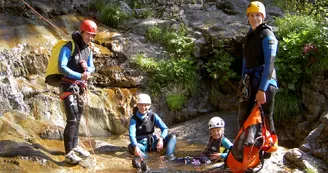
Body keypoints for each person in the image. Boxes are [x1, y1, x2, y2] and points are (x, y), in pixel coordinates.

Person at [237, 1, 278, 158]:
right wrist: (243, 83)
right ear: (247, 17)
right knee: (244, 116)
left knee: (265, 116)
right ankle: (247, 151)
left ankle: (267, 152)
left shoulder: (267, 35)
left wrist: (262, 89)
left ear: (263, 17)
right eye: (252, 15)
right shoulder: (249, 35)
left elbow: (270, 63)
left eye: (258, 15)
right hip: (250, 81)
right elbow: (246, 62)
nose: (255, 18)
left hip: (266, 83)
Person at [59, 19, 97, 164]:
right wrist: (79, 75)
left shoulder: (88, 49)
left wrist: (88, 69)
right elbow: (62, 66)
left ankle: (74, 148)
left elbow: (92, 66)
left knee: (78, 119)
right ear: (82, 32)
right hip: (68, 86)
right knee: (72, 119)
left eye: (93, 35)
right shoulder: (69, 46)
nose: (90, 38)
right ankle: (69, 153)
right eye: (88, 34)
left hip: (80, 88)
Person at [128, 93, 177, 169]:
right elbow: (132, 134)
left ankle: (168, 158)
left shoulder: (153, 115)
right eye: (141, 105)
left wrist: (161, 139)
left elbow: (165, 128)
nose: (143, 107)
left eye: (146, 105)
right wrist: (135, 146)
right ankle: (147, 159)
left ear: (149, 105)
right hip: (142, 145)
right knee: (131, 147)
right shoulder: (134, 119)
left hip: (153, 143)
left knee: (172, 137)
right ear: (137, 105)